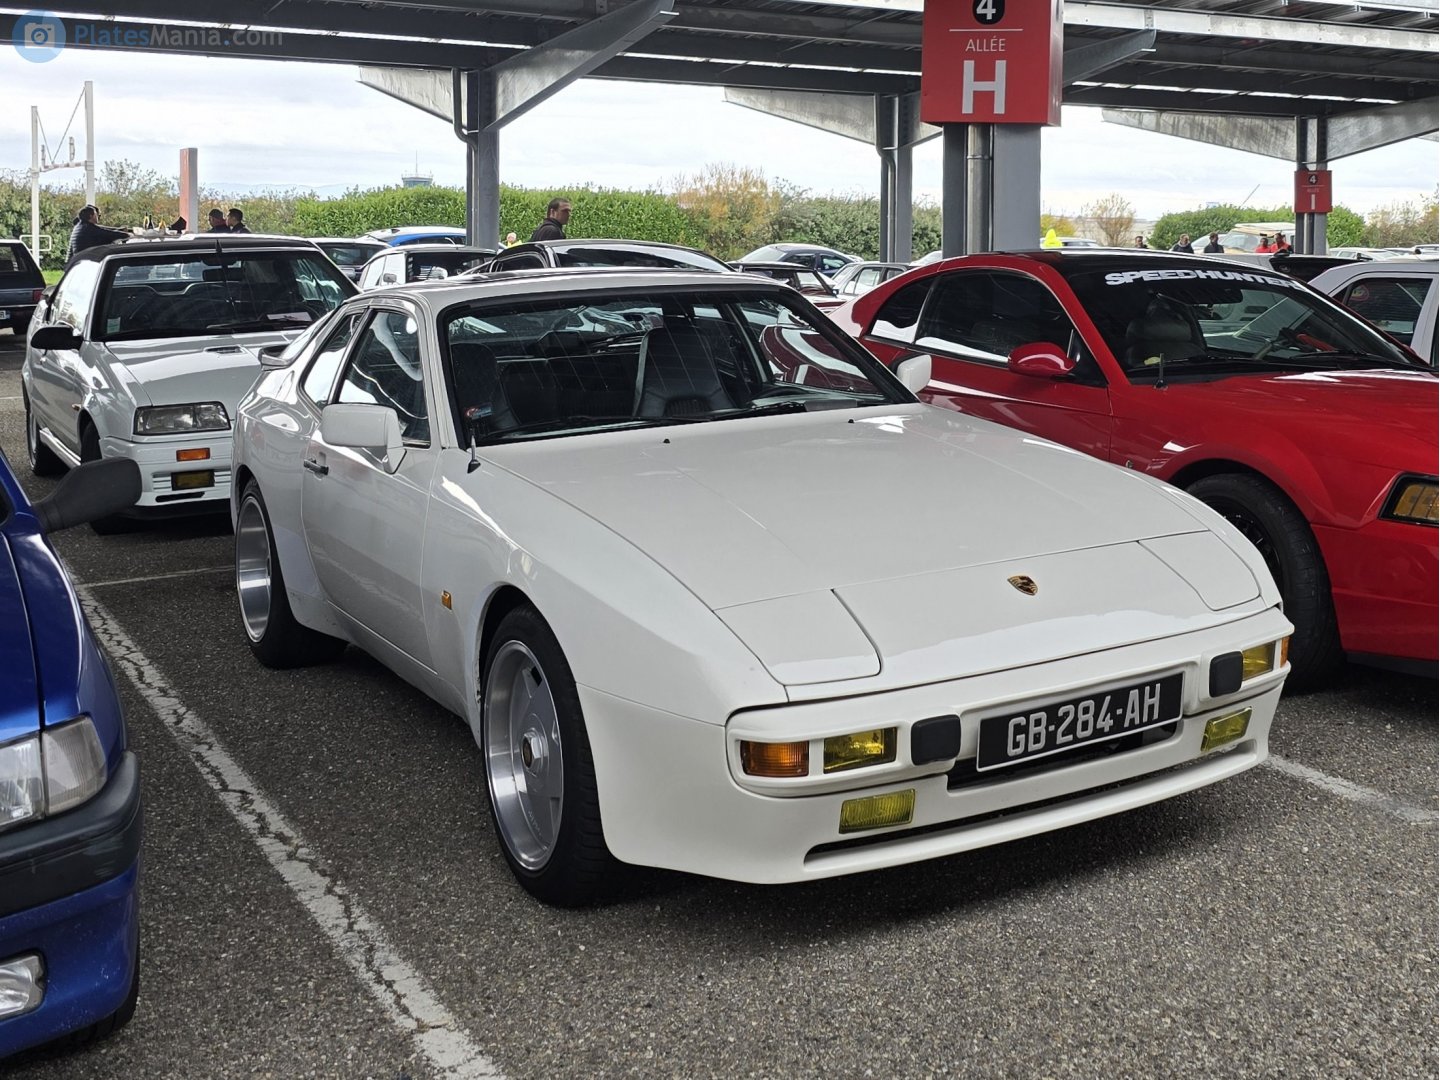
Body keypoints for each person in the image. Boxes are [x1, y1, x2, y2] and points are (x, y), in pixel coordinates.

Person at [66, 204, 130, 264]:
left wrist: (119, 230)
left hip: (76, 263)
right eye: (97, 214)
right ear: (91, 216)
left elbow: (103, 229)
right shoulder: (89, 228)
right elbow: (107, 233)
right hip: (83, 263)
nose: (98, 217)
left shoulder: (81, 226)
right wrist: (127, 234)